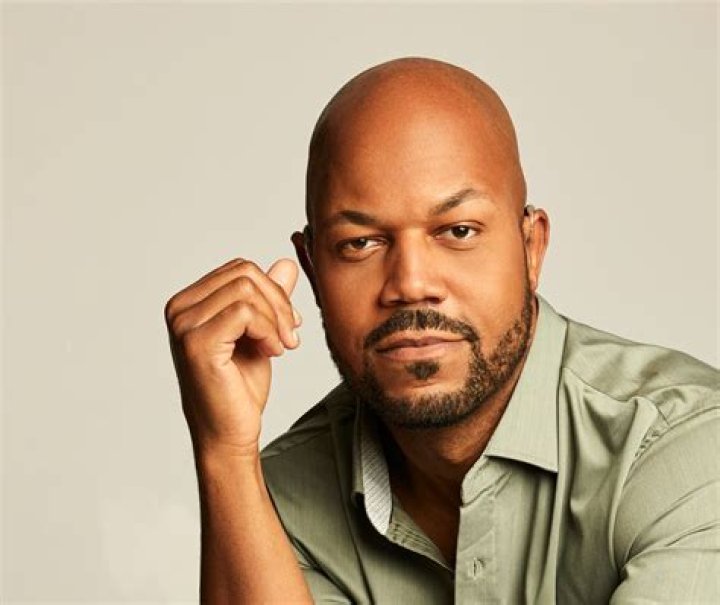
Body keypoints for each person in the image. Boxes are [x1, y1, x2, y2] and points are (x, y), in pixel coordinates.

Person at [164, 57, 719, 603]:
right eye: (360, 244)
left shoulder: (686, 448)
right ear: (313, 272)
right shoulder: (277, 503)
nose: (411, 283)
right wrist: (224, 451)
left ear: (531, 248)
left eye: (458, 231)